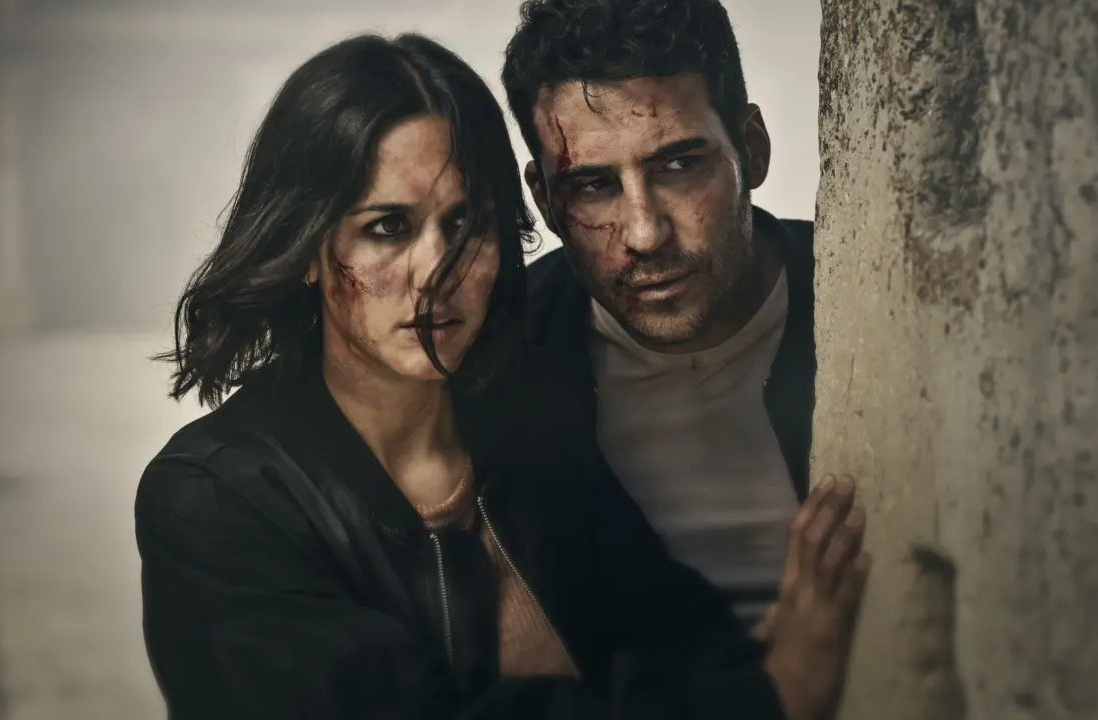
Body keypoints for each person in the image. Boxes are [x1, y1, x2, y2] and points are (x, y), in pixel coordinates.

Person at [136, 32, 865, 720]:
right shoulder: (216, 499)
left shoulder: (532, 425)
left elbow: (680, 638)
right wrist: (768, 700)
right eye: (387, 228)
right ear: (304, 246)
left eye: (465, 224)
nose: (437, 273)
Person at [502, 0, 866, 704]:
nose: (644, 233)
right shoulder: (500, 363)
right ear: (544, 200)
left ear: (752, 149)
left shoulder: (867, 296)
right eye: (593, 185)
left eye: (678, 165)